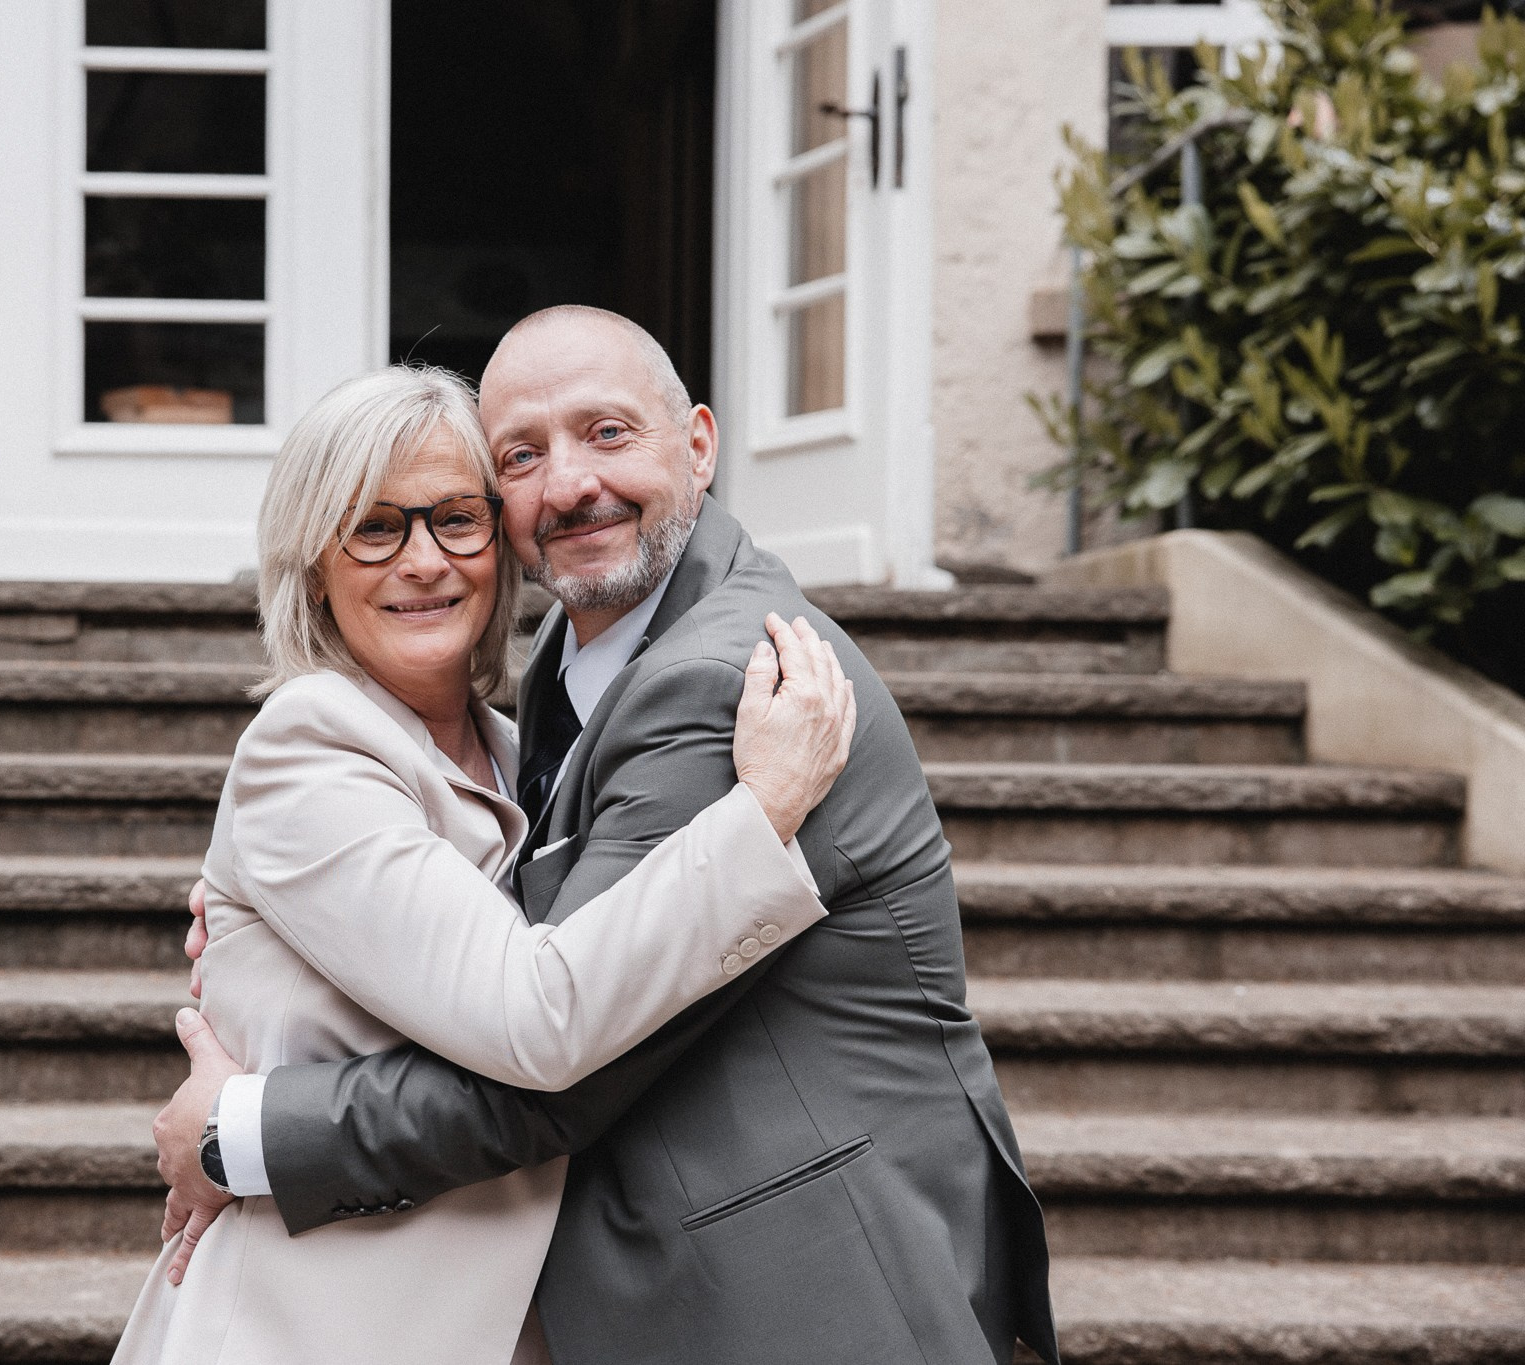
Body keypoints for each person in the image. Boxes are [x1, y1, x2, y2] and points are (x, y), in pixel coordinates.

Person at [154, 306, 1060, 1365]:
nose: (570, 482)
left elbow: (553, 1041)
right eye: (523, 457)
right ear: (313, 565)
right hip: (328, 1315)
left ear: (700, 445)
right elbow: (544, 1005)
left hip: (786, 1290)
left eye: (453, 516)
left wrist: (243, 1132)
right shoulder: (431, 723)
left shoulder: (711, 681)